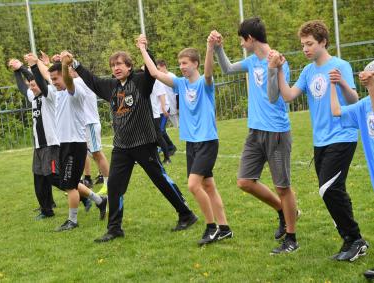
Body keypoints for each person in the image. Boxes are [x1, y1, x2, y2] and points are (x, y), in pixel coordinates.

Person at [66, 48, 197, 242]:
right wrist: (74, 63)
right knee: (115, 186)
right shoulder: (111, 86)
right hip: (121, 147)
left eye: (120, 64)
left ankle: (186, 214)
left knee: (160, 180)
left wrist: (144, 48)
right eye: (113, 65)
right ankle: (114, 228)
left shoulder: (141, 81)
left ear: (129, 67)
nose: (116, 68)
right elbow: (91, 80)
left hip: (144, 143)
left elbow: (152, 69)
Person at [270, 20, 368, 261]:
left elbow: (354, 98)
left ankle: (355, 239)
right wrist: (280, 71)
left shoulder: (340, 65)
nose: (305, 48)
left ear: (323, 42)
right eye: (303, 44)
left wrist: (342, 82)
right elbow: (289, 96)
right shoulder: (307, 71)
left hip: (342, 136)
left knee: (329, 188)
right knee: (332, 190)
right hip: (320, 140)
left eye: (310, 44)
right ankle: (351, 240)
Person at [210, 17, 298, 254]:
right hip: (255, 131)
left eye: (241, 39)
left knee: (283, 186)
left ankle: (291, 238)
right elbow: (228, 68)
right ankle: (283, 211)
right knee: (245, 181)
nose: (241, 43)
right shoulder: (251, 61)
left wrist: (272, 69)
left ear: (250, 38)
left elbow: (272, 97)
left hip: (277, 132)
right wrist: (217, 48)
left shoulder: (278, 61)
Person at [138, 34, 233, 246]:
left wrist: (210, 48)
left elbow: (208, 72)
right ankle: (224, 228)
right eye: (179, 63)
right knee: (208, 185)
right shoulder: (180, 84)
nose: (181, 67)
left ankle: (211, 227)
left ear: (195, 64)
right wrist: (142, 49)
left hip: (207, 141)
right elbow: (153, 72)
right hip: (192, 143)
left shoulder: (204, 84)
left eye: (185, 63)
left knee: (193, 185)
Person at [26, 52, 107, 231]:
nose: (53, 82)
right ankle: (99, 200)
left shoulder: (75, 87)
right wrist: (35, 63)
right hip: (64, 144)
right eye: (53, 79)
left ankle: (72, 220)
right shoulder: (57, 90)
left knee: (70, 186)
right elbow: (47, 76)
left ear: (65, 75)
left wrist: (64, 65)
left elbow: (68, 82)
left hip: (75, 144)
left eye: (57, 79)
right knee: (68, 182)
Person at [330, 60, 374, 272]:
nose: (364, 75)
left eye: (369, 72)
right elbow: (337, 111)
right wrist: (333, 85)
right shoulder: (363, 106)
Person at [8, 58, 58, 220]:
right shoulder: (34, 96)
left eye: (34, 84)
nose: (31, 86)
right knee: (39, 177)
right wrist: (17, 71)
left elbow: (38, 81)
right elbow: (22, 87)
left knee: (53, 177)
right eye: (31, 84)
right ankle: (47, 208)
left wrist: (23, 67)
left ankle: (85, 196)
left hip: (51, 144)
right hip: (39, 145)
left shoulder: (49, 95)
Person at [69, 67, 110, 195]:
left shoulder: (81, 81)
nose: (67, 72)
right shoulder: (79, 81)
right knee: (89, 153)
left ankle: (109, 183)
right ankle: (87, 181)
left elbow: (64, 81)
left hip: (90, 123)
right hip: (85, 124)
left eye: (68, 69)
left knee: (97, 153)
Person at [156, 60, 178, 155]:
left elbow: (178, 93)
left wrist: (178, 107)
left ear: (164, 66)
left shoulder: (172, 77)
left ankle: (169, 147)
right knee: (161, 130)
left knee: (180, 126)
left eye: (158, 69)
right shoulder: (159, 78)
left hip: (172, 107)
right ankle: (166, 146)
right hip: (164, 108)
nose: (157, 71)